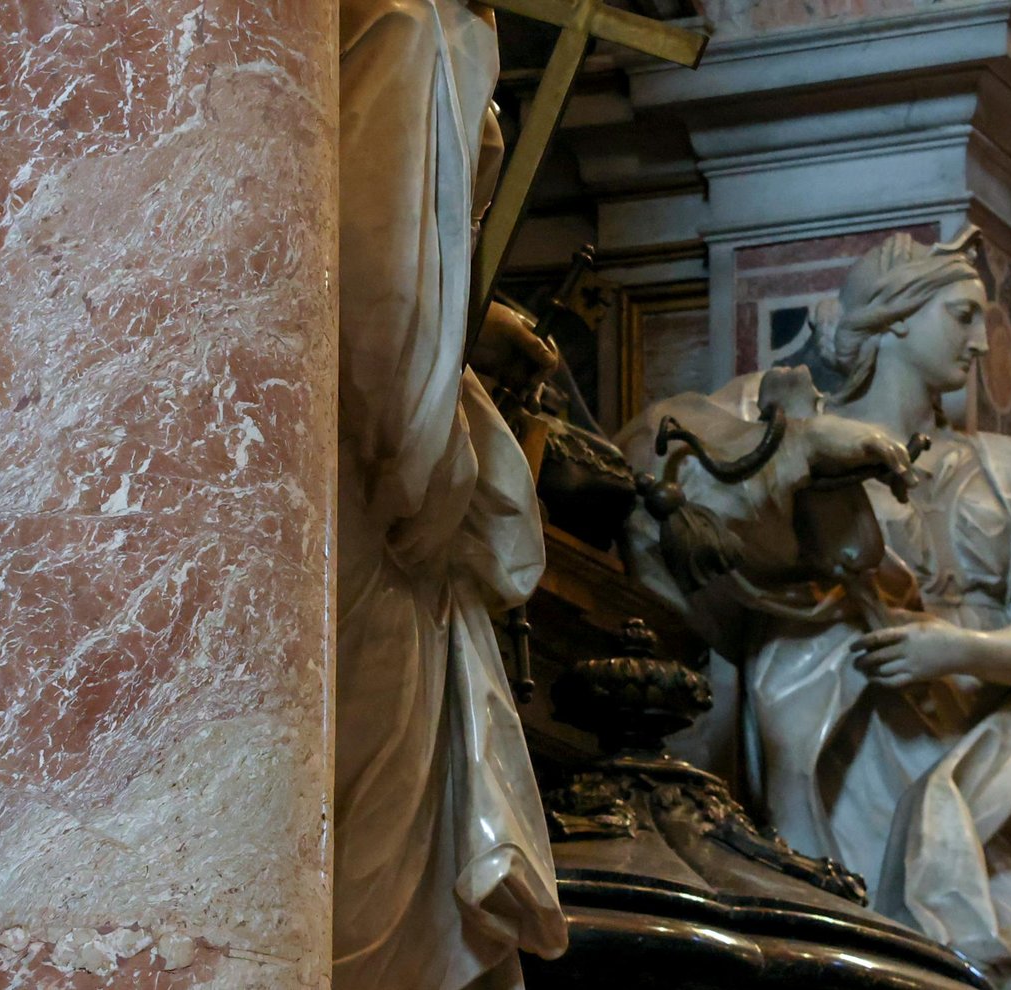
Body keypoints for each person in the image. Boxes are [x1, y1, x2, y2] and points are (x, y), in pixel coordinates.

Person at [619, 229, 1011, 990]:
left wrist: (956, 649)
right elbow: (647, 460)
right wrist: (797, 450)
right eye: (962, 315)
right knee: (856, 948)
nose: (982, 341)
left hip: (981, 754)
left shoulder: (1007, 472)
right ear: (898, 318)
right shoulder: (792, 435)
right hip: (841, 740)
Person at [337, 1, 566, 987]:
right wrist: (439, 480)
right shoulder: (405, 22)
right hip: (365, 502)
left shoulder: (438, 23)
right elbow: (378, 302)